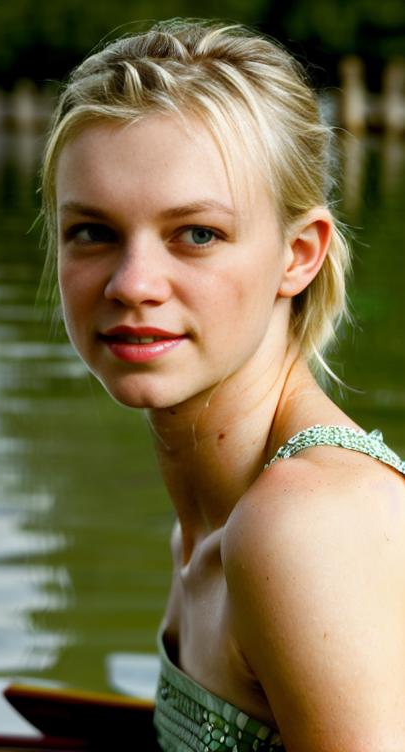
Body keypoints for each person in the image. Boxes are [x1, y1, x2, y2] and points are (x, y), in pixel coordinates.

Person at [40, 20, 405, 752]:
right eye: (93, 231)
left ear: (299, 256)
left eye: (197, 234)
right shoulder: (209, 522)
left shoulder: (305, 525)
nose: (133, 284)